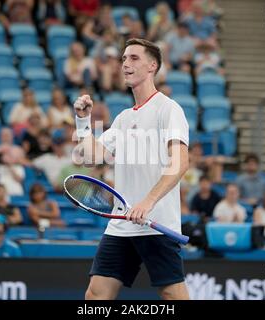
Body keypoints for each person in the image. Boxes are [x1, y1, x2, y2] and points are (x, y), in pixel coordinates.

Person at [74, 38, 190, 299]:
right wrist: (82, 121)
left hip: (155, 222)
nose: (126, 63)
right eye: (124, 58)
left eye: (134, 58)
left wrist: (147, 202)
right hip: (122, 223)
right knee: (95, 295)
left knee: (172, 295)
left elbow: (181, 162)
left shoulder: (169, 110)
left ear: (152, 66)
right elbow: (92, 157)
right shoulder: (124, 118)